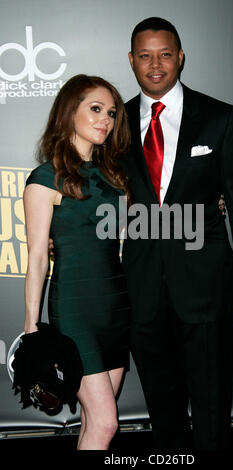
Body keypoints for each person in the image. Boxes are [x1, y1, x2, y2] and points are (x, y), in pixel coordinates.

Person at [121, 17, 233, 450]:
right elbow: (97, 198)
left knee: (211, 410)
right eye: (145, 56)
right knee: (162, 413)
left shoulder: (221, 118)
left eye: (164, 54)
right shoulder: (115, 124)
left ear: (180, 57)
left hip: (207, 289)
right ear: (131, 60)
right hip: (142, 290)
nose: (155, 65)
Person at [23, 74, 131, 450]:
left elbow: (148, 226)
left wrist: (208, 209)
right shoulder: (44, 178)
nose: (106, 120)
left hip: (117, 307)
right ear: (70, 112)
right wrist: (31, 327)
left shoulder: (116, 177)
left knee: (92, 423)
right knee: (105, 424)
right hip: (75, 310)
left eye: (112, 113)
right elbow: (37, 258)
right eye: (96, 109)